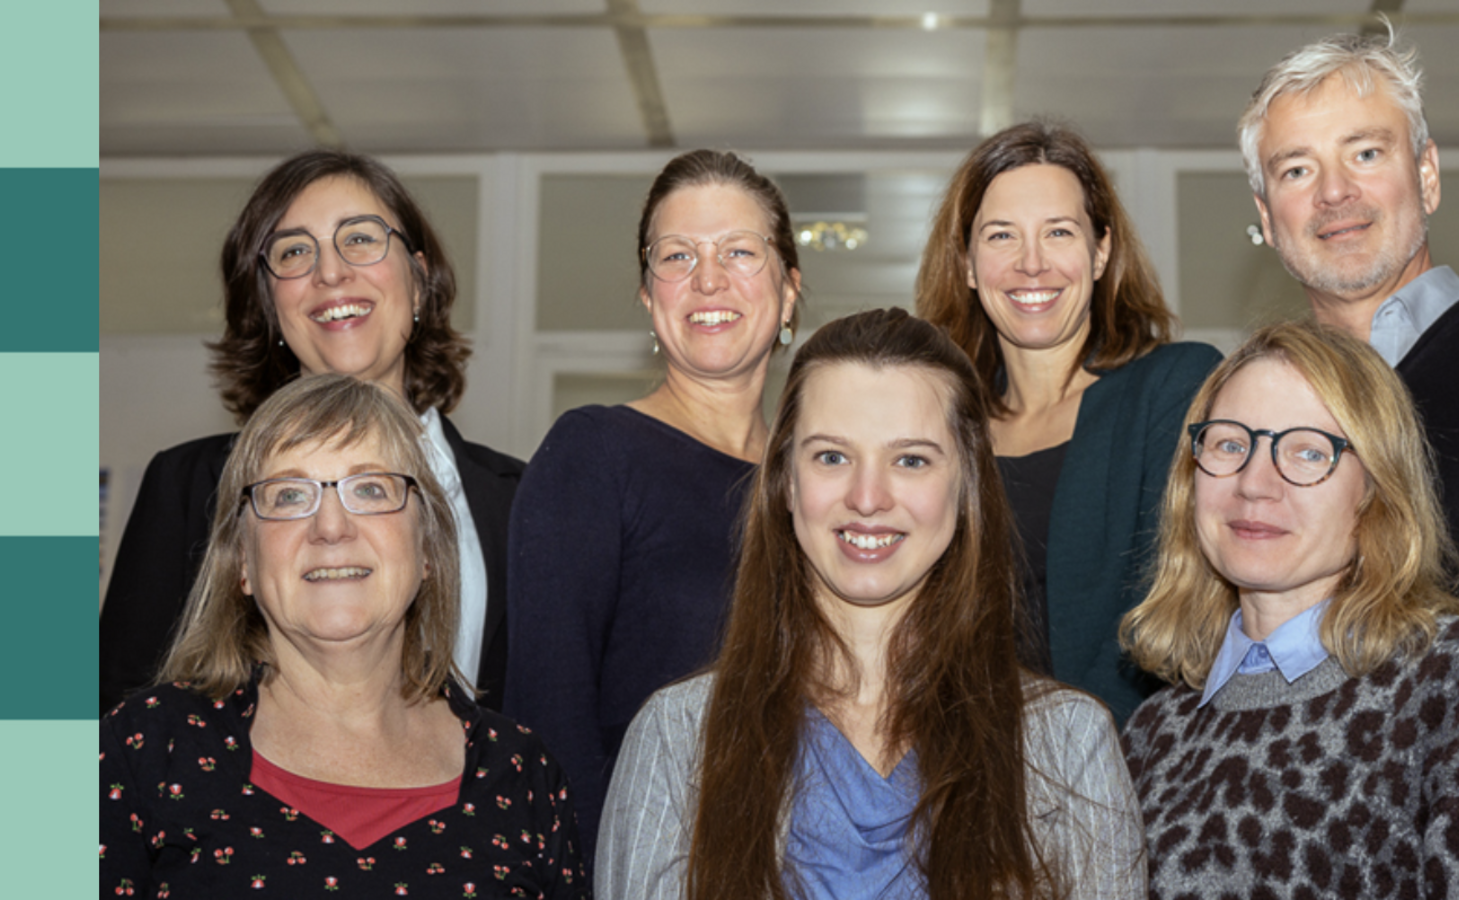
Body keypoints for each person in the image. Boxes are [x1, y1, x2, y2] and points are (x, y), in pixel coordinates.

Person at [600, 309, 1143, 900]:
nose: (867, 497)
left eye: (910, 459)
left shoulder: (1069, 744)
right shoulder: (678, 736)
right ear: (785, 480)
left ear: (966, 486)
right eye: (832, 456)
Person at [99, 373, 583, 898]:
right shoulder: (146, 749)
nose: (331, 527)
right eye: (289, 495)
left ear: (427, 549)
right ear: (242, 561)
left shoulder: (522, 775)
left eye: (370, 489)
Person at [101, 150, 524, 714]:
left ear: (419, 280)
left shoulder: (523, 500)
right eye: (295, 251)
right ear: (269, 303)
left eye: (361, 238)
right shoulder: (186, 487)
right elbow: (118, 717)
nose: (330, 272)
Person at [503, 148, 802, 849]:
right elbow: (546, 727)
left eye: (739, 251)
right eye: (676, 256)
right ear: (648, 295)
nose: (707, 278)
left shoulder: (819, 486)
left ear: (789, 289)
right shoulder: (592, 454)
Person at [1120, 320, 1459, 897]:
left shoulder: (1440, 685)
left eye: (1307, 452)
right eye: (1230, 445)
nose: (1254, 484)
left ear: (1377, 490)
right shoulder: (1152, 733)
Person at [916, 120, 1223, 722]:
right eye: (1001, 235)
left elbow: (1173, 611)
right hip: (956, 759)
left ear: (1100, 251)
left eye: (1058, 232)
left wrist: (1069, 758)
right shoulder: (939, 427)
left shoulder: (1173, 388)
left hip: (1121, 759)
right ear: (968, 264)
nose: (1032, 264)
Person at [1238, 30, 1459, 534]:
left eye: (1366, 154)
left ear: (1427, 175)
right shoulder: (1256, 416)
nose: (1334, 192)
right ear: (1268, 218)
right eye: (1297, 170)